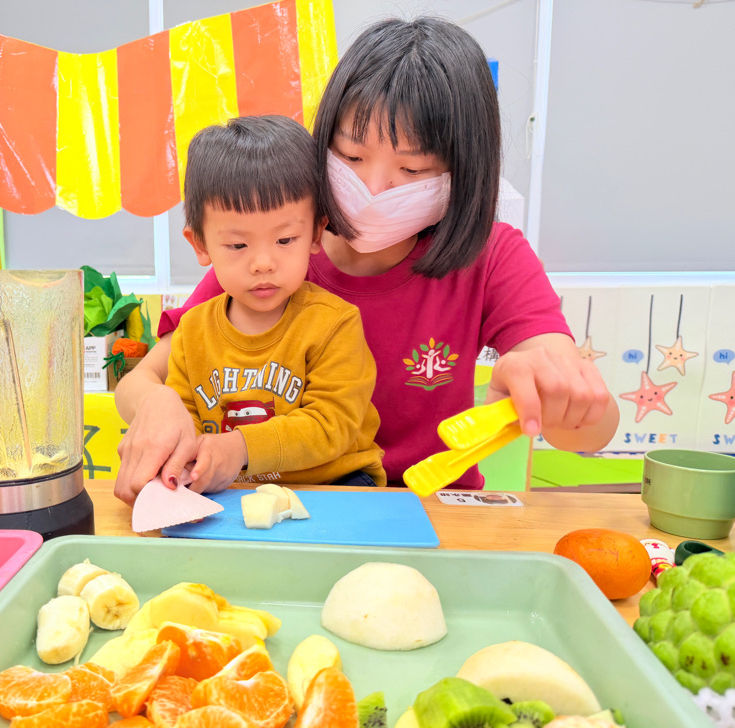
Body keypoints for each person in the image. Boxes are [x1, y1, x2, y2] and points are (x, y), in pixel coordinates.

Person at [114, 16, 619, 505]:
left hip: (433, 509)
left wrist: (557, 394)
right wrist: (158, 404)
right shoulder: (275, 252)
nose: (374, 188)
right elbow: (142, 380)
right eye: (352, 157)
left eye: (412, 168)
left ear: (463, 170)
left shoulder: (492, 256)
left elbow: (592, 430)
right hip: (299, 506)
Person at [162, 115, 386, 493]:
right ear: (200, 245)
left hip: (334, 485)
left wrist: (242, 447)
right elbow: (182, 423)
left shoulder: (334, 323)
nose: (263, 263)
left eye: (285, 240)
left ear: (315, 234)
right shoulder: (192, 334)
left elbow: (332, 425)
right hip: (233, 491)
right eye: (238, 245)